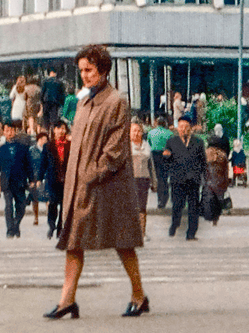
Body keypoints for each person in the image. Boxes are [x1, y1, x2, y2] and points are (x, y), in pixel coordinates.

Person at [48, 45, 147, 320]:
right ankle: (67, 300)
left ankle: (139, 295)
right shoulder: (83, 100)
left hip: (108, 186)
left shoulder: (116, 102)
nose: (84, 75)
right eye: (81, 70)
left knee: (122, 241)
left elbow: (115, 150)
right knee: (73, 240)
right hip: (80, 185)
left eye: (89, 70)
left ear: (103, 70)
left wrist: (92, 173)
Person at [163, 114, 206, 241]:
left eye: (186, 127)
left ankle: (191, 233)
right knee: (177, 205)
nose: (183, 129)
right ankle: (174, 224)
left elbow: (203, 161)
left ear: (191, 128)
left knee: (194, 207)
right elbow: (166, 160)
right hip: (177, 180)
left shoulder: (198, 142)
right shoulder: (172, 141)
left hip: (193, 180)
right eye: (181, 127)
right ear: (177, 128)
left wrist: (204, 178)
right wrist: (166, 156)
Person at [0, 120, 34, 238]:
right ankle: (10, 230)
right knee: (9, 206)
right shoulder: (0, 149)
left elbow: (28, 165)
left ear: (15, 131)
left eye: (11, 130)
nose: (9, 133)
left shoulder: (23, 148)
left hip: (20, 181)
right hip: (7, 182)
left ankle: (16, 224)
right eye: (7, 131)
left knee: (21, 206)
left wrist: (32, 180)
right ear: (4, 132)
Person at [40, 120, 71, 239]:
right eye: (59, 128)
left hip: (66, 181)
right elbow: (43, 164)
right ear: (54, 130)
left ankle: (60, 228)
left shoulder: (70, 145)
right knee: (52, 203)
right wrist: (39, 178)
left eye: (63, 128)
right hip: (53, 180)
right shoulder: (48, 146)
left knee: (64, 206)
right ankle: (51, 225)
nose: (61, 131)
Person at [130, 120, 156, 238]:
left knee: (142, 207)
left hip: (143, 180)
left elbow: (151, 166)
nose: (136, 133)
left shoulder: (146, 145)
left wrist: (154, 182)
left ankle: (142, 233)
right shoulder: (126, 147)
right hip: (130, 180)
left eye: (138, 131)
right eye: (134, 131)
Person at [148, 117, 173, 208]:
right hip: (166, 155)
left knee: (158, 178)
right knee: (165, 177)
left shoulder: (151, 133)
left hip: (155, 155)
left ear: (157, 123)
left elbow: (149, 144)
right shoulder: (169, 133)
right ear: (165, 123)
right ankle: (164, 198)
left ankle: (160, 200)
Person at [204, 138, 229, 227]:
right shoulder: (222, 155)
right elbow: (226, 170)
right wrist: (226, 182)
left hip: (209, 181)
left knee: (209, 200)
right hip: (220, 181)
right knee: (218, 200)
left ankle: (210, 215)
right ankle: (216, 218)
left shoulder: (205, 154)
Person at [29, 131, 48, 225]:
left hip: (46, 177)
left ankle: (49, 216)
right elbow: (28, 165)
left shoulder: (47, 150)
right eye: (44, 140)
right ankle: (36, 217)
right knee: (35, 199)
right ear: (39, 140)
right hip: (35, 178)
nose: (45, 142)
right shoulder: (32, 150)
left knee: (48, 198)